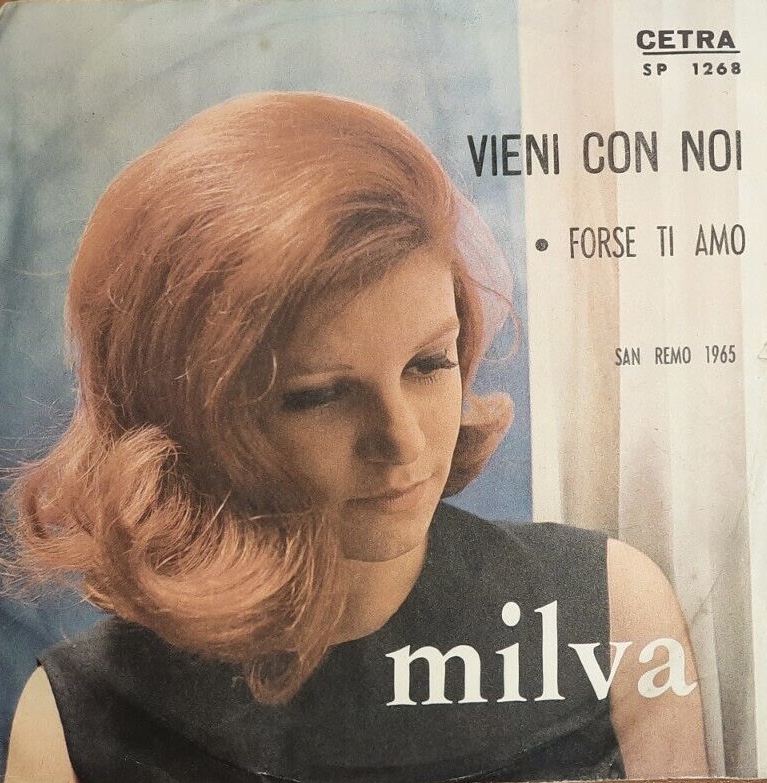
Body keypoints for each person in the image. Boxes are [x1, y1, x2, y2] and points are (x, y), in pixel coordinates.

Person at [3, 93, 707, 783]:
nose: (403, 442)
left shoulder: (609, 609)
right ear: (188, 418)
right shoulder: (78, 720)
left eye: (428, 364)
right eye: (320, 395)